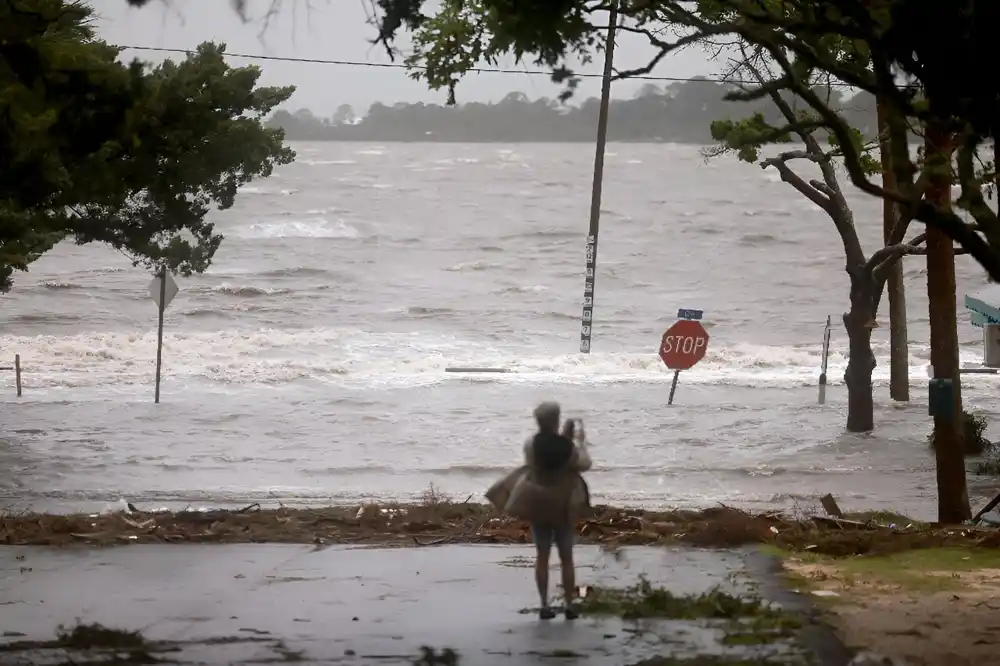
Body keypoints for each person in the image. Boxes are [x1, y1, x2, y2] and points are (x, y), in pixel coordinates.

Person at [485, 401, 592, 620]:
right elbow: (582, 464)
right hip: (563, 505)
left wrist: (564, 438)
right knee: (566, 558)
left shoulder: (530, 444)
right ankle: (569, 606)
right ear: (556, 419)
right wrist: (579, 442)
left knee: (542, 556)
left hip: (539, 503)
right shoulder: (567, 447)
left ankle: (544, 605)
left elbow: (544, 457)